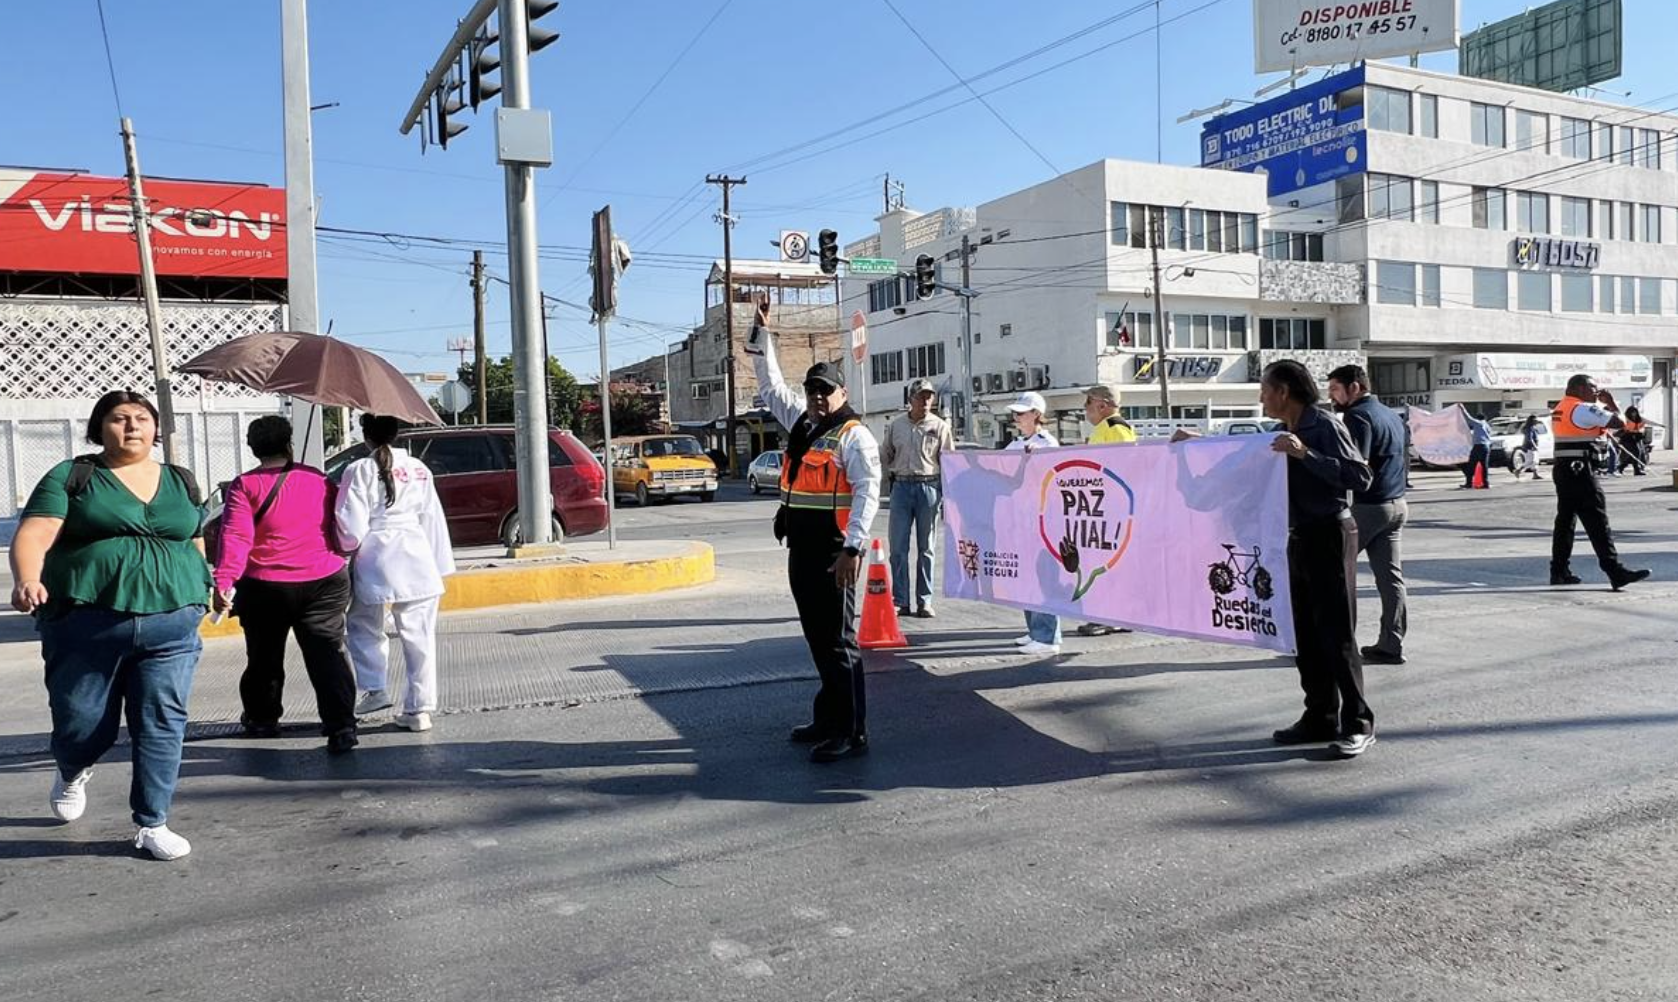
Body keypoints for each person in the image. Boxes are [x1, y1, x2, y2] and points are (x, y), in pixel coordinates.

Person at [9, 391, 210, 860]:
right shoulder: (74, 475)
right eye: (120, 419)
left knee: (162, 721)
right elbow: (36, 533)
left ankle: (151, 821)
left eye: (142, 419)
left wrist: (207, 582)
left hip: (173, 624)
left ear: (156, 429)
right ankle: (73, 767)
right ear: (100, 427)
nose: (133, 426)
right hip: (86, 623)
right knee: (82, 723)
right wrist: (28, 579)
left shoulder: (180, 479)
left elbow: (193, 537)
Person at [1183, 363, 1376, 757]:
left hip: (1330, 534)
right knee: (1303, 633)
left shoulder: (1323, 425)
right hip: (1295, 538)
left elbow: (1361, 476)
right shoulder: (1276, 435)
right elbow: (1239, 466)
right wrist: (1196, 445)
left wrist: (1306, 455)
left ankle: (1357, 723)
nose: (1261, 397)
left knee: (1336, 634)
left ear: (1284, 392)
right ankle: (1319, 716)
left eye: (1264, 390)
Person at [746, 297, 882, 763]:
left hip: (835, 555)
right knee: (817, 639)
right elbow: (770, 386)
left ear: (842, 393)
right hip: (801, 551)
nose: (818, 397)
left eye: (826, 390)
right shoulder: (804, 424)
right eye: (813, 390)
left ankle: (852, 731)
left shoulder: (853, 436)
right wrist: (762, 336)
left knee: (840, 643)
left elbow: (868, 491)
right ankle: (827, 717)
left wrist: (853, 549)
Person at [212, 415, 358, 754]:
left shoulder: (244, 486)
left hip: (266, 585)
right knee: (328, 654)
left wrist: (223, 581)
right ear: (288, 443)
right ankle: (341, 727)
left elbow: (236, 537)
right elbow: (340, 523)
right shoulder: (318, 479)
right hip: (325, 579)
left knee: (264, 657)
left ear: (252, 447)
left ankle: (262, 720)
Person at [336, 414, 456, 732]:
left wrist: (342, 548)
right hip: (417, 556)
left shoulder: (358, 469)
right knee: (420, 637)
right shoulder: (419, 468)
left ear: (366, 436)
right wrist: (440, 566)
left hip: (375, 556)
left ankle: (375, 688)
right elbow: (433, 518)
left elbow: (350, 526)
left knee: (362, 624)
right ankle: (419, 709)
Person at [1327, 365, 1408, 666]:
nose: (1331, 395)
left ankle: (1330, 644)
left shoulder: (1357, 416)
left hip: (1370, 507)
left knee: (1327, 569)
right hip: (1397, 504)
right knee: (1391, 580)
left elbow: (1355, 467)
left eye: (1335, 388)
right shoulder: (1390, 414)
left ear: (1355, 388)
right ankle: (1391, 644)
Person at [1550, 375, 1650, 590]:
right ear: (1578, 388)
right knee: (1597, 520)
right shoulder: (1583, 408)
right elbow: (1621, 424)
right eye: (1592, 387)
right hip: (1581, 471)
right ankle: (1615, 571)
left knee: (1565, 522)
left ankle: (1559, 570)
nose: (1596, 391)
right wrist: (1611, 403)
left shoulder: (1563, 407)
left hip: (1564, 469)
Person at [881, 377, 953, 619]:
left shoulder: (940, 426)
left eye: (929, 396)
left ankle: (924, 600)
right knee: (898, 547)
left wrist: (947, 496)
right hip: (901, 487)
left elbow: (949, 462)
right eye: (921, 396)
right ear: (910, 399)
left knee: (927, 548)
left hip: (928, 487)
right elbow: (886, 455)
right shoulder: (896, 425)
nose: (926, 400)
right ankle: (900, 600)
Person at [1005, 391, 1064, 656]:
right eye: (1015, 413)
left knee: (1043, 578)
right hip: (1021, 520)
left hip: (1042, 521)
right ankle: (1034, 630)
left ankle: (1048, 636)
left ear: (1036, 415)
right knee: (1027, 577)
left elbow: (1054, 477)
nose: (1016, 417)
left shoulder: (1047, 444)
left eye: (1021, 413)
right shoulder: (1017, 444)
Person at [1075, 384, 1136, 638]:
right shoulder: (1105, 429)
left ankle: (1110, 615)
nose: (1085, 409)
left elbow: (1125, 467)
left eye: (1088, 403)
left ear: (1102, 405)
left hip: (1111, 506)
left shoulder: (1117, 428)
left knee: (1106, 563)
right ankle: (1116, 615)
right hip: (1100, 505)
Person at [1463, 412, 1493, 488]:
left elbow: (1468, 418)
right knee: (1484, 466)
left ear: (1478, 418)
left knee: (1471, 465)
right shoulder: (1487, 425)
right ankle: (1485, 483)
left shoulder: (1479, 423)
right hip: (1486, 446)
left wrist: (1462, 408)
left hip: (1478, 446)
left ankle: (1469, 483)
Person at [1618, 406, 1648, 476]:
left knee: (1634, 454)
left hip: (1635, 438)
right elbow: (1622, 428)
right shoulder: (1625, 419)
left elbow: (1644, 425)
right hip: (1626, 439)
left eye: (1635, 412)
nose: (1634, 414)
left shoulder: (1639, 419)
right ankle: (1636, 470)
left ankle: (1621, 467)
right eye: (1632, 412)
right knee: (1636, 452)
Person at [1515, 415, 1544, 481]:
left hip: (1531, 447)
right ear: (1532, 421)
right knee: (1530, 461)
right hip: (1529, 447)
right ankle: (1518, 470)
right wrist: (1534, 446)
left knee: (1535, 461)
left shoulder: (1532, 428)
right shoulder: (1529, 428)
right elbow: (1529, 439)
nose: (1536, 421)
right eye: (1535, 420)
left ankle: (1535, 474)